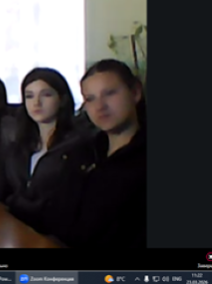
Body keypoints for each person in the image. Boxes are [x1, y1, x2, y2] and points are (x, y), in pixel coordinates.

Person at [46, 59, 147, 248]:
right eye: (90, 99)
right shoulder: (81, 153)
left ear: (135, 92)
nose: (99, 106)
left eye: (109, 93)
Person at [0, 68, 85, 233]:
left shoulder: (78, 146)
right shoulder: (16, 148)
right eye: (29, 96)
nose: (36, 103)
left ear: (62, 99)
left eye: (46, 95)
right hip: (16, 232)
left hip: (56, 235)